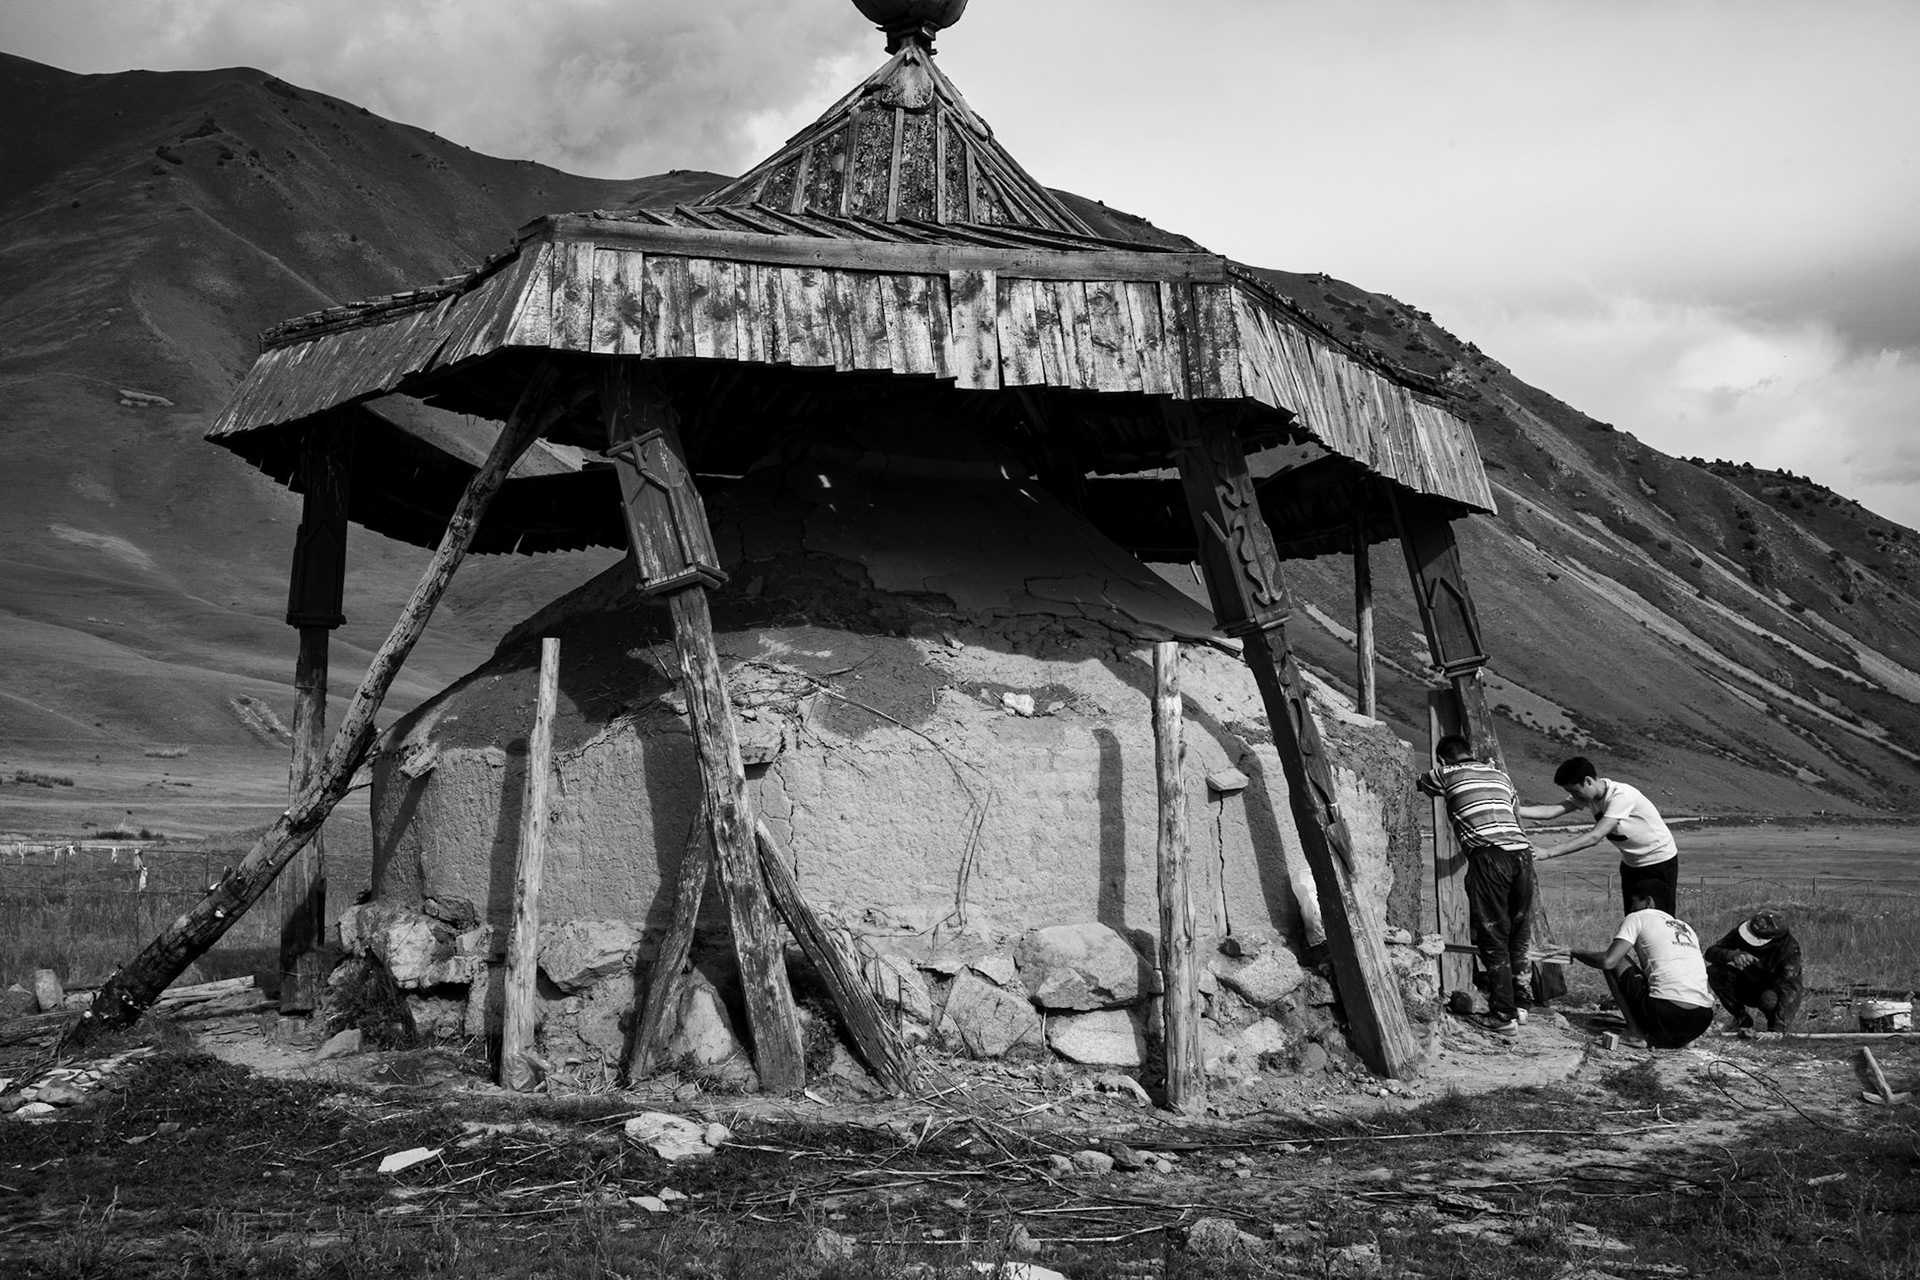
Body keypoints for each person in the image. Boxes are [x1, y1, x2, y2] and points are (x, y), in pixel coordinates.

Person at [1416, 734, 1535, 1038]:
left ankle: (1503, 1016)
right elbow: (1513, 811)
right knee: (1517, 935)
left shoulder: (1445, 773)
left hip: (1489, 859)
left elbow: (1417, 783)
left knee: (1492, 936)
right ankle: (1521, 1006)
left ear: (1442, 758)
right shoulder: (1500, 776)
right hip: (1522, 856)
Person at [1520, 757, 1679, 914]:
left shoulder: (1621, 796)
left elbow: (1595, 837)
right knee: (1633, 918)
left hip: (1659, 862)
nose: (1574, 797)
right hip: (1631, 865)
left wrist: (1547, 852)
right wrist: (1514, 809)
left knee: (1660, 919)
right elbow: (1552, 811)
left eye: (1575, 792)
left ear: (1588, 781)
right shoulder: (1588, 795)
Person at [1572, 890, 1715, 1049]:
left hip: (1666, 1015)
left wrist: (1576, 952)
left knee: (1617, 960)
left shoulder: (1638, 917)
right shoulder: (1685, 927)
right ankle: (1682, 1039)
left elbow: (1608, 961)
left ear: (1648, 902)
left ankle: (1635, 1034)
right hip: (1701, 1021)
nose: (1630, 909)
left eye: (1633, 903)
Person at [1704, 910, 1804, 1032]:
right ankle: (1742, 1019)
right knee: (1714, 972)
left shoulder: (1789, 949)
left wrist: (1779, 1028)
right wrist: (1732, 955)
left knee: (1769, 1000)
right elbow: (1711, 953)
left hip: (1771, 991)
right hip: (1748, 984)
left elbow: (1791, 988)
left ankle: (1772, 1026)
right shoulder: (1744, 930)